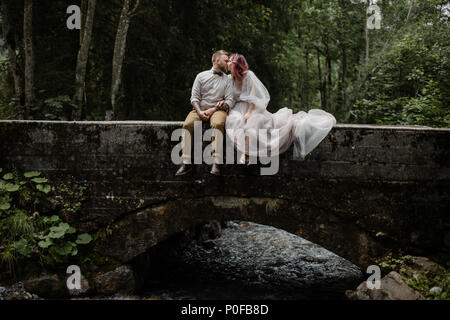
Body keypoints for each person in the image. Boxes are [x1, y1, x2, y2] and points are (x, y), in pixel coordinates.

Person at [223, 53, 336, 165]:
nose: (227, 64)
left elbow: (254, 96)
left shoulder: (248, 75)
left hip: (252, 107)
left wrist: (249, 113)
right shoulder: (229, 79)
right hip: (237, 107)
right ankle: (245, 152)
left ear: (235, 64)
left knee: (253, 123)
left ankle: (246, 153)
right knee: (235, 121)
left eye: (229, 62)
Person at [175, 50, 234, 176]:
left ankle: (216, 161)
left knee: (218, 124)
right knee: (187, 125)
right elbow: (194, 98)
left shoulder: (228, 80)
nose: (228, 63)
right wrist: (200, 112)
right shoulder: (201, 76)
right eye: (226, 60)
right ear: (217, 60)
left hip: (218, 110)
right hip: (199, 108)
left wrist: (220, 106)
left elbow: (230, 100)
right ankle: (185, 162)